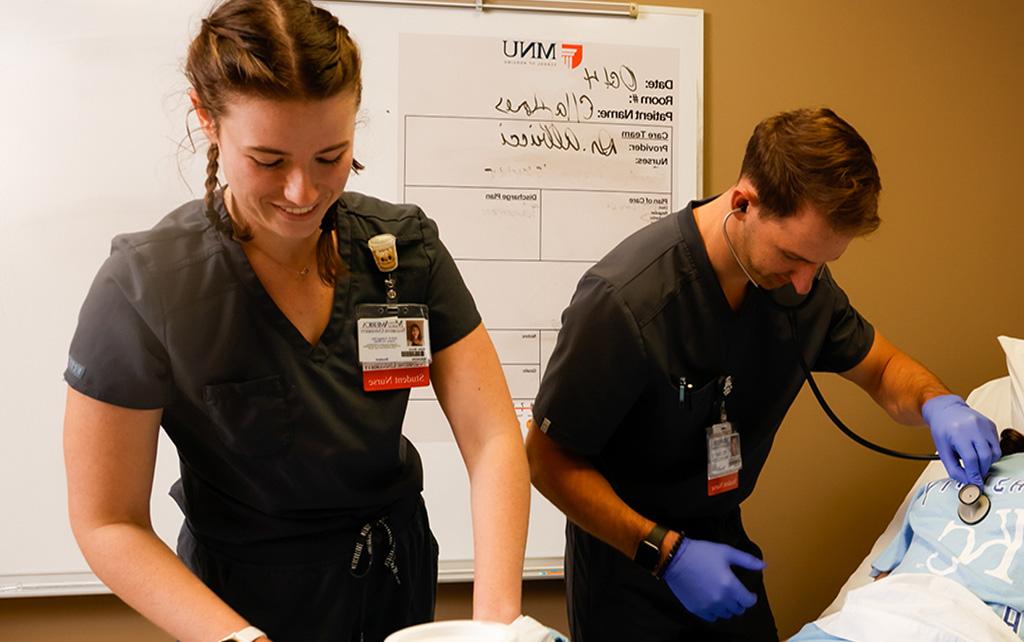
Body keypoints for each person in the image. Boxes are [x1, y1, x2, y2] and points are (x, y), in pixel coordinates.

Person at [62, 2, 529, 641]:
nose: (303, 193)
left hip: (393, 577)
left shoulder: (401, 251)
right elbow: (107, 521)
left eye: (331, 155)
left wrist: (498, 624)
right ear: (207, 120)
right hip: (239, 604)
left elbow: (494, 440)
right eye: (269, 160)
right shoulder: (145, 287)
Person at [525, 107, 1002, 641]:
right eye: (794, 258)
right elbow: (546, 460)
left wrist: (939, 402)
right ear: (743, 202)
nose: (804, 284)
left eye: (821, 264)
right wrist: (667, 554)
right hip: (629, 558)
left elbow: (885, 368)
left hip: (722, 540)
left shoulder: (800, 286)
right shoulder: (627, 303)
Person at [791, 428, 1024, 641]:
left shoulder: (933, 489)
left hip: (864, 623)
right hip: (965, 630)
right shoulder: (935, 489)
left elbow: (882, 579)